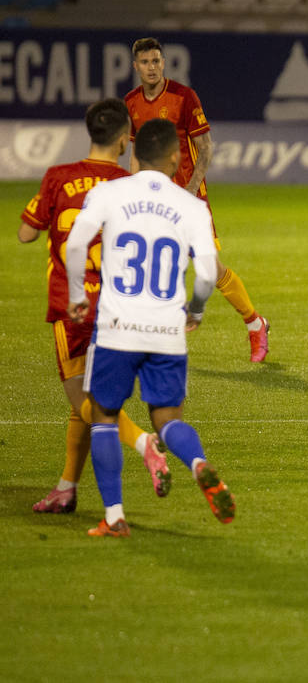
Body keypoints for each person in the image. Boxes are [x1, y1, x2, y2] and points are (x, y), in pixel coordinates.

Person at [64, 119, 236, 537]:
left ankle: (115, 517)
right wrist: (195, 309)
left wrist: (76, 294)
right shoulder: (191, 206)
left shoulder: (109, 192)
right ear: (177, 158)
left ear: (134, 153)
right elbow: (209, 272)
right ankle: (198, 463)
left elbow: (74, 243)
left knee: (103, 416)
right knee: (167, 419)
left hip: (118, 327)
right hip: (166, 330)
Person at [19, 99, 171, 514]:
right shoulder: (128, 184)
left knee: (85, 401)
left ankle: (143, 442)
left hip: (73, 305)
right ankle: (66, 487)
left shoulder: (59, 177)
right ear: (125, 139)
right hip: (119, 306)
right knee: (89, 397)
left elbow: (25, 234)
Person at [124, 36, 269, 363]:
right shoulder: (131, 102)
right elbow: (136, 151)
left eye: (156, 61)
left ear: (163, 62)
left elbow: (205, 149)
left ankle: (255, 323)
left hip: (188, 197)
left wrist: (190, 190)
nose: (152, 68)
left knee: (210, 269)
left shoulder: (183, 97)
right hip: (151, 201)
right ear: (135, 66)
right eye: (145, 62)